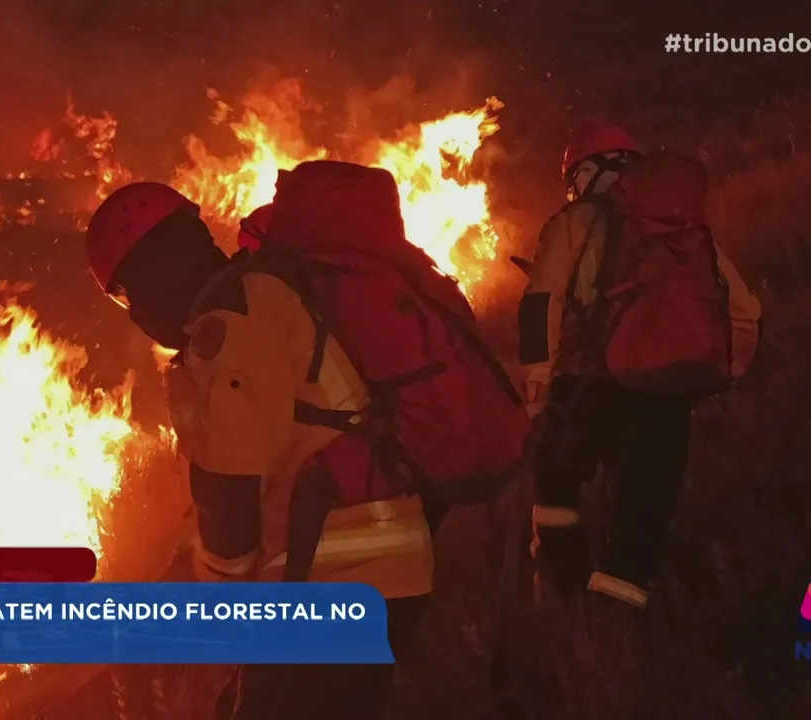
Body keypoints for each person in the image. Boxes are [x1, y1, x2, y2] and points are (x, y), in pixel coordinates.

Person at [86, 177, 431, 720]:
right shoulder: (257, 298)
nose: (136, 313)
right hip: (358, 567)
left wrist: (216, 590)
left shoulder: (231, 318)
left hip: (345, 576)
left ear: (152, 271)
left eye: (129, 294)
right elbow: (264, 467)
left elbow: (232, 473)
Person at [511, 124, 762, 614]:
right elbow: (745, 311)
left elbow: (541, 304)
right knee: (640, 512)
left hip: (585, 386)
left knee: (555, 492)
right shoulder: (686, 229)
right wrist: (719, 372)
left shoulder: (573, 221)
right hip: (663, 392)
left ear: (586, 172)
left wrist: (537, 381)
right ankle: (616, 630)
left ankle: (558, 598)